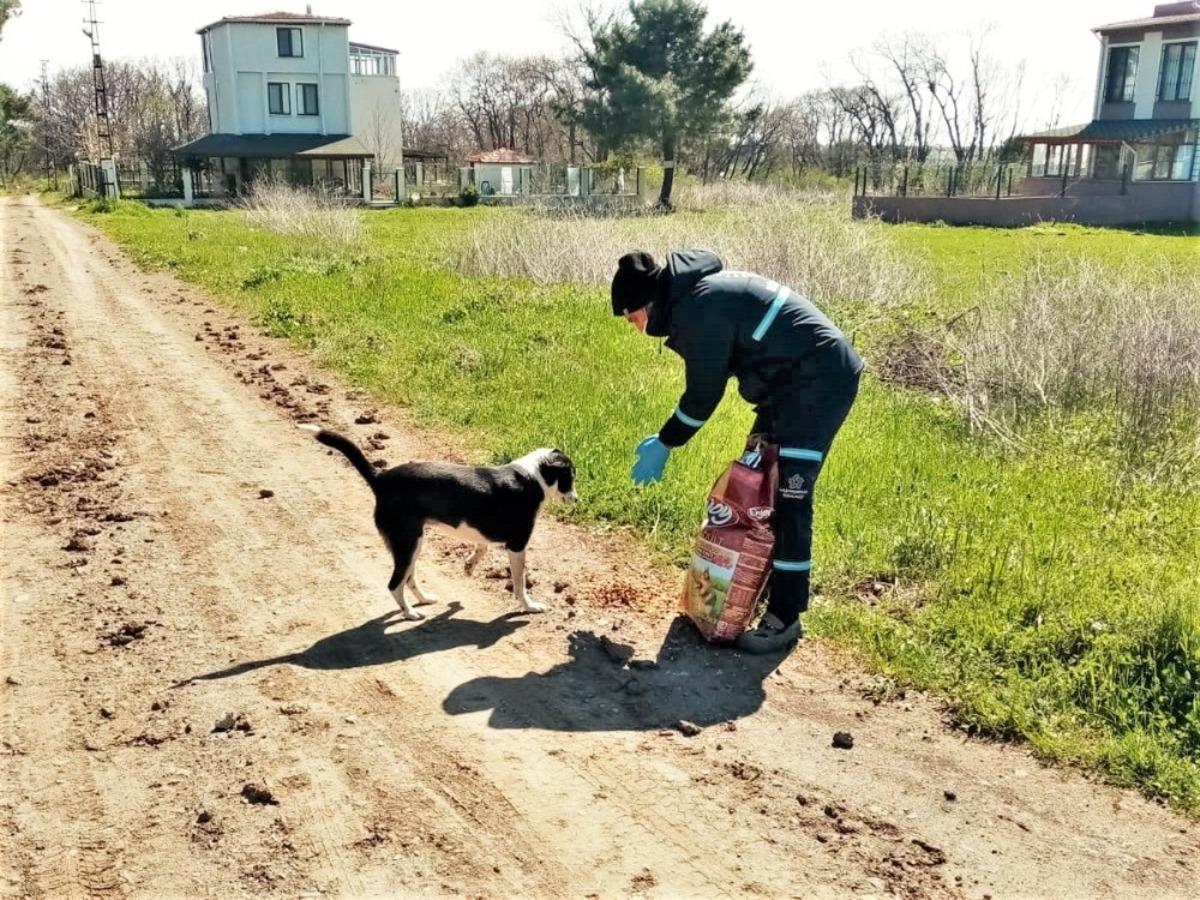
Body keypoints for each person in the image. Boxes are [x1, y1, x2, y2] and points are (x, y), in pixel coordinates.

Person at [611, 250, 863, 654]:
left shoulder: (700, 308)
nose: (634, 328)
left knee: (789, 495)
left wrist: (666, 441)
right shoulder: (695, 300)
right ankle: (750, 593)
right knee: (758, 488)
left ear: (647, 305)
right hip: (787, 385)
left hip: (818, 381)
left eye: (631, 318)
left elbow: (703, 395)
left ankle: (784, 618)